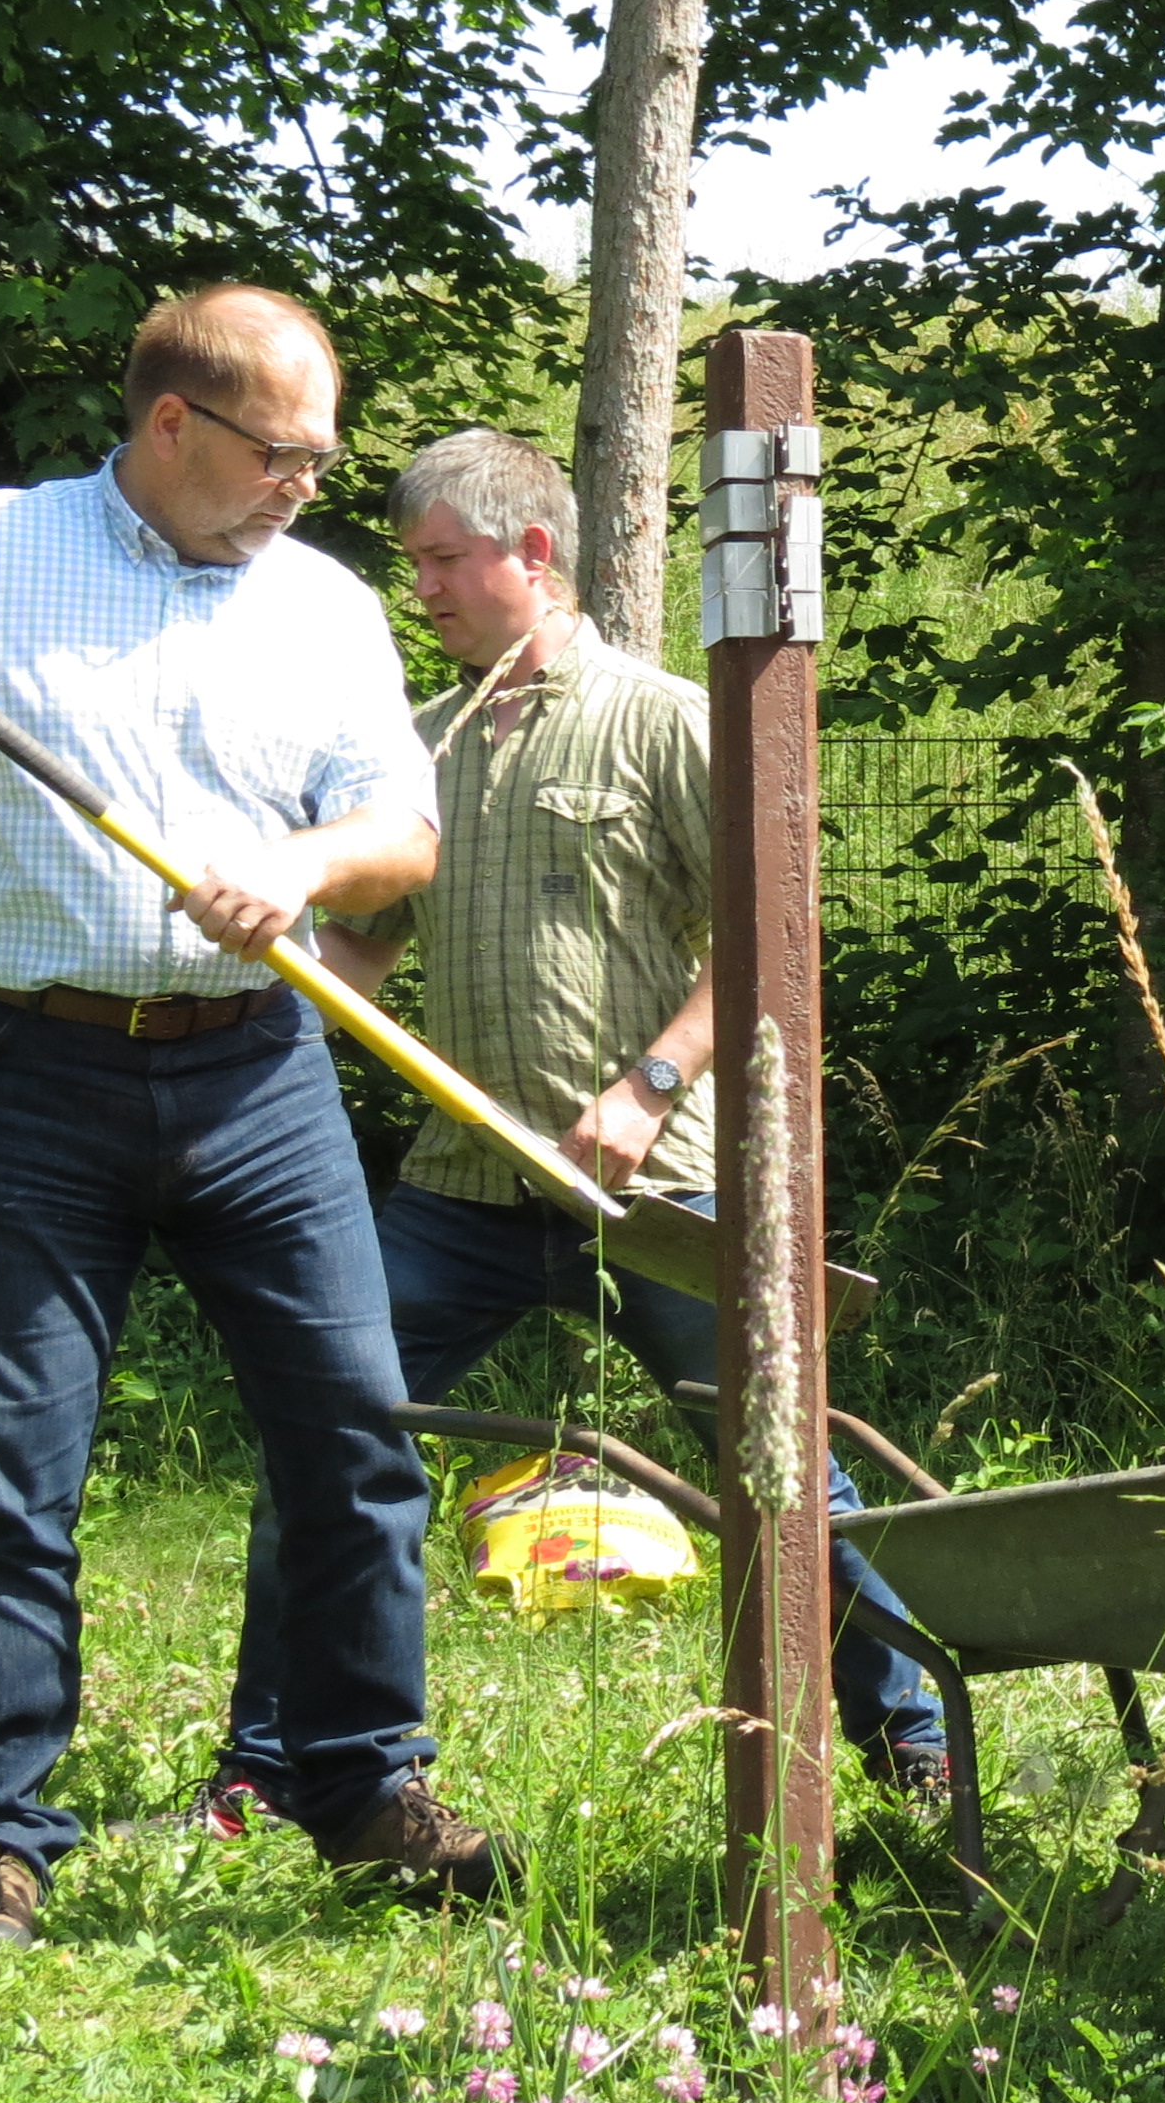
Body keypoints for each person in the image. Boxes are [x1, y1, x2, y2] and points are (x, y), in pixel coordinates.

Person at [0, 285, 505, 1939]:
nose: (309, 483)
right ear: (173, 425)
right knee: (14, 1467)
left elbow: (399, 839)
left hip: (256, 1069)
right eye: (286, 453)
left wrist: (299, 865)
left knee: (356, 1434)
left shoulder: (323, 607)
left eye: (322, 457)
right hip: (18, 1072)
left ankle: (360, 1786)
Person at [202, 431, 949, 1828]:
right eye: (414, 561)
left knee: (780, 1463)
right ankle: (273, 1765)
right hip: (460, 1192)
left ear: (531, 553)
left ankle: (913, 1738)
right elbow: (358, 944)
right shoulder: (415, 748)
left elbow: (771, 938)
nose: (420, 586)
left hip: (653, 1190)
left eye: (442, 559)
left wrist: (652, 1082)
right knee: (332, 1440)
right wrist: (262, 1023)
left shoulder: (665, 719)